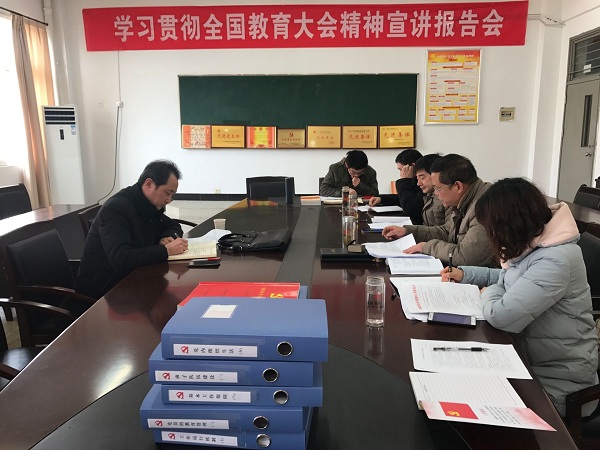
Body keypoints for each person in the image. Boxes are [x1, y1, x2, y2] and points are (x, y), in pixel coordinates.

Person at [441, 178, 599, 417]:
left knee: (464, 400)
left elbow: (501, 315)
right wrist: (467, 274)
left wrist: (487, 292)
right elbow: (511, 278)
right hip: (528, 361)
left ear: (510, 223)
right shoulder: (537, 243)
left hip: (559, 382)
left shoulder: (556, 259)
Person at [74, 159, 189, 299]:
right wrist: (165, 250)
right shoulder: (117, 208)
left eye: (172, 196)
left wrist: (165, 238)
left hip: (135, 279)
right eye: (167, 193)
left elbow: (173, 226)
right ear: (149, 184)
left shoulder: (148, 205)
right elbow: (121, 259)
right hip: (104, 292)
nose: (169, 200)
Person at [382, 154, 494, 267]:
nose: (435, 193)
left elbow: (466, 257)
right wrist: (407, 231)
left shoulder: (485, 208)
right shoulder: (464, 200)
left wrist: (426, 247)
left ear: (458, 186)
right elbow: (446, 231)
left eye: (438, 188)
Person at [368, 148, 424, 224]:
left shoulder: (423, 183)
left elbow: (409, 206)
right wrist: (381, 199)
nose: (401, 174)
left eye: (401, 170)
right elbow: (402, 198)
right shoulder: (413, 180)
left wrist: (405, 180)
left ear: (412, 166)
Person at [414, 153, 447, 226]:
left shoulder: (447, 197)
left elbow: (447, 230)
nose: (418, 183)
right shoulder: (429, 195)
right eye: (417, 179)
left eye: (422, 178)